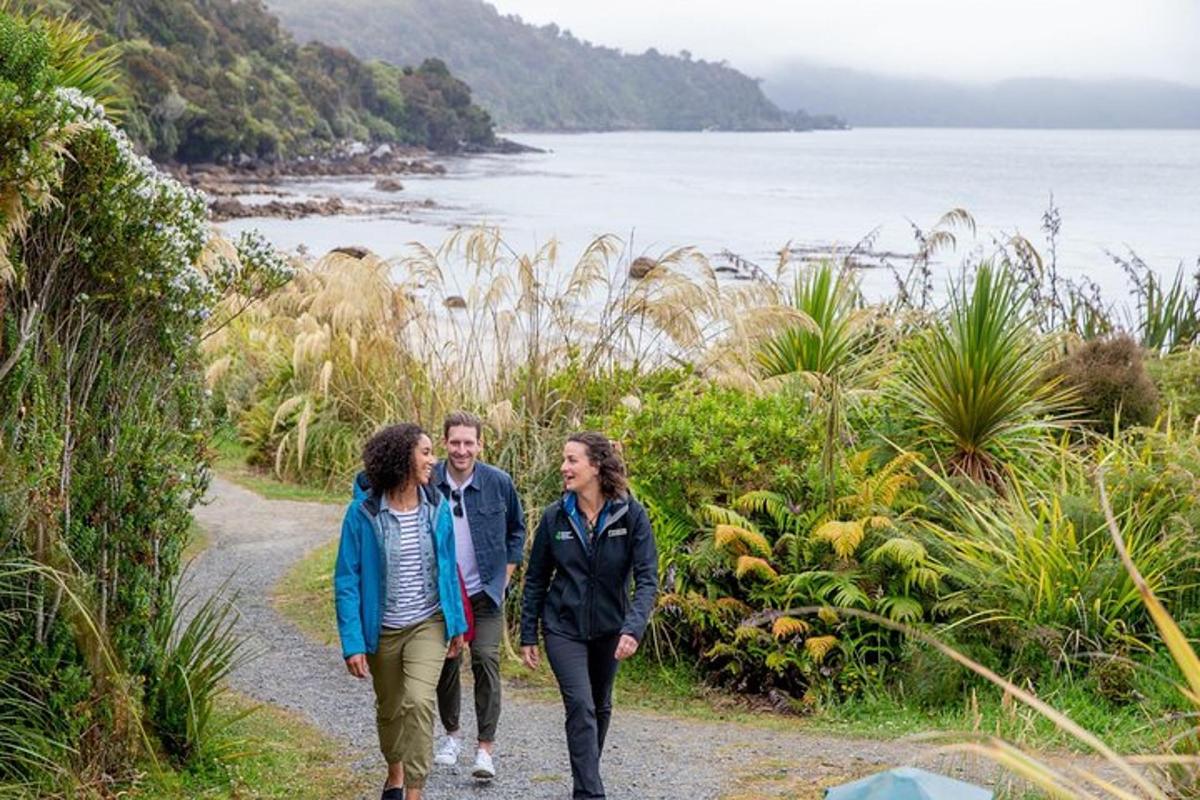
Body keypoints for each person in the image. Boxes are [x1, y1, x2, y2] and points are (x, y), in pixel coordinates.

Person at [520, 432, 658, 800]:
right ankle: (590, 793)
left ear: (595, 466)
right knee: (580, 706)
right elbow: (535, 579)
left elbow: (647, 579)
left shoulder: (631, 514)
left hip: (612, 627)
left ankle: (586, 776)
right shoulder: (555, 517)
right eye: (564, 460)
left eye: (571, 460)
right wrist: (528, 634)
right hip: (562, 627)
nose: (563, 468)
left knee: (600, 705)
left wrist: (633, 628)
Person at [335, 423, 468, 800]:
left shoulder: (437, 507)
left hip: (428, 622)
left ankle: (414, 789)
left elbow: (448, 568)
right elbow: (347, 579)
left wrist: (456, 623)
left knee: (419, 701)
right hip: (384, 630)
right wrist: (353, 642)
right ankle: (394, 772)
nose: (433, 459)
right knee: (390, 707)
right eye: (425, 452)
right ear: (402, 457)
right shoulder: (362, 513)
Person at [429, 411, 526, 780]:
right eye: (455, 442)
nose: (462, 450)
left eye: (469, 442)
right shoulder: (428, 482)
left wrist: (505, 576)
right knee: (446, 663)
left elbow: (517, 529)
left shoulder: (498, 482)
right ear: (444, 442)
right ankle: (451, 736)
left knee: (486, 659)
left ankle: (485, 749)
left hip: (485, 591)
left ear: (480, 445)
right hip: (444, 594)